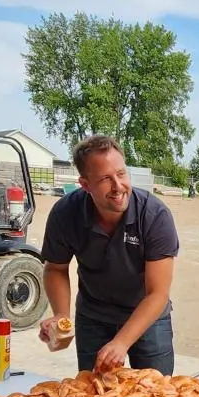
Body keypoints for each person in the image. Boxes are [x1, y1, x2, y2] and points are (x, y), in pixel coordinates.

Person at [38, 135, 179, 374]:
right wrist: (61, 315)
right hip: (93, 316)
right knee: (93, 395)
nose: (118, 186)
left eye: (121, 174)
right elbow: (56, 269)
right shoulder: (66, 213)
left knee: (156, 395)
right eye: (105, 178)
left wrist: (122, 342)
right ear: (85, 184)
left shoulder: (154, 216)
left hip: (147, 317)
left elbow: (158, 294)